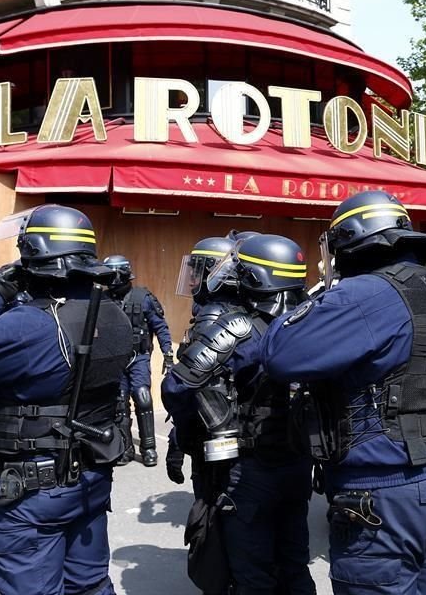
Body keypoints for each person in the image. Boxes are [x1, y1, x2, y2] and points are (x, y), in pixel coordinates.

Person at [261, 191, 426, 594]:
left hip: (386, 487)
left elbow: (279, 354)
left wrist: (308, 298)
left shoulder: (362, 295)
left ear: (347, 241)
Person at [0, 204, 132, 595]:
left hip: (33, 490)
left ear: (32, 255)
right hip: (90, 476)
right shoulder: (111, 313)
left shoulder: (29, 323)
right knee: (89, 585)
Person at [164, 233, 315, 595]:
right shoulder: (311, 323)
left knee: (252, 572)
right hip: (298, 461)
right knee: (294, 561)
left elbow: (177, 388)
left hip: (250, 468)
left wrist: (189, 433)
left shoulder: (240, 329)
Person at [165, 235, 237, 491]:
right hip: (230, 437)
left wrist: (177, 439)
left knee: (208, 517)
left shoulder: (214, 316)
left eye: (198, 271)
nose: (192, 279)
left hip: (215, 436)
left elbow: (196, 389)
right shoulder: (231, 311)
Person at [103, 256, 173, 467]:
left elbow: (160, 327)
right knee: (119, 403)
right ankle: (125, 448)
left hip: (138, 357)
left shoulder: (143, 297)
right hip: (114, 359)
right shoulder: (103, 299)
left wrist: (168, 354)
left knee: (142, 397)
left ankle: (149, 448)